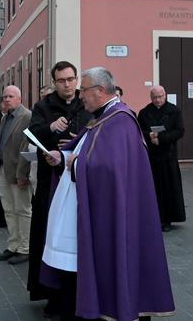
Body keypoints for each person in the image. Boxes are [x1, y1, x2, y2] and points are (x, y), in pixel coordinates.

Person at [43, 67, 175, 321]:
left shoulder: (121, 120)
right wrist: (64, 157)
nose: (81, 96)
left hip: (112, 212)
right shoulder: (103, 117)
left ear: (100, 91)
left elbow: (109, 168)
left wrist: (75, 163)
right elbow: (87, 150)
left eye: (84, 90)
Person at [27, 61, 92, 315]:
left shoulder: (85, 104)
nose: (67, 84)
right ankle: (51, 295)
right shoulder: (43, 106)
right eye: (62, 80)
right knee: (48, 236)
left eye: (71, 79)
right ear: (54, 82)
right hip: (50, 182)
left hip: (79, 183)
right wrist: (50, 129)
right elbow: (32, 133)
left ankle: (80, 293)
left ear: (76, 80)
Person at [0, 85, 33, 265]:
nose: (7, 100)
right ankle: (13, 245)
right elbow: (0, 145)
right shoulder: (5, 118)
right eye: (4, 97)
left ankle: (25, 248)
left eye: (10, 96)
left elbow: (26, 148)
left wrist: (22, 174)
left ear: (19, 98)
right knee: (9, 210)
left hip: (18, 172)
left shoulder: (27, 117)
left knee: (22, 210)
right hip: (3, 169)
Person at [138, 85, 186, 232]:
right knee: (154, 188)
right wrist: (149, 136)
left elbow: (179, 131)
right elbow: (139, 130)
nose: (158, 100)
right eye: (155, 97)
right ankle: (154, 217)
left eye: (160, 97)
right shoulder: (145, 112)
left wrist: (162, 139)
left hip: (168, 156)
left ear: (165, 95)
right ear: (150, 98)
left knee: (169, 188)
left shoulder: (174, 111)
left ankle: (168, 219)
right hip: (151, 157)